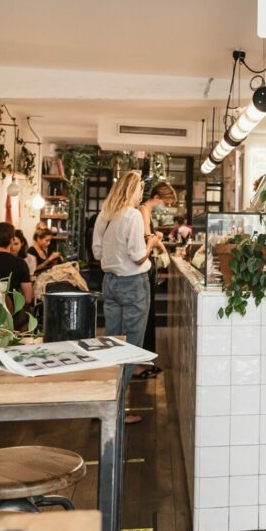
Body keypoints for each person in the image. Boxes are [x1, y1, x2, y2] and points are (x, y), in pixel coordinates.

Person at [92, 171, 162, 421]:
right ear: (133, 190)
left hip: (109, 284)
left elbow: (98, 253)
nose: (142, 194)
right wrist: (151, 245)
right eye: (140, 189)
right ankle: (116, 411)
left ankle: (106, 403)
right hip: (133, 284)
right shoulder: (132, 215)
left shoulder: (105, 215)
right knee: (130, 347)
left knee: (113, 344)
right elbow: (138, 256)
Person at [137, 182, 175, 368]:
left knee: (149, 311)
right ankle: (143, 360)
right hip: (144, 264)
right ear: (157, 198)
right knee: (147, 311)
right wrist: (157, 239)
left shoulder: (146, 211)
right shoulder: (144, 210)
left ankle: (145, 359)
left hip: (147, 263)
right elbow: (146, 239)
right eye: (165, 202)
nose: (165, 207)